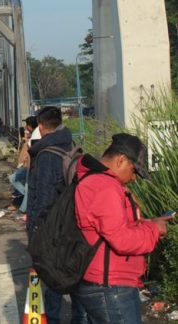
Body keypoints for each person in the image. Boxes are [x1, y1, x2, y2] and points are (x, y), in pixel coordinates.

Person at [73, 133, 170, 323]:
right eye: (134, 171)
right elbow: (122, 239)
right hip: (110, 286)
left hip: (106, 281)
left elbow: (115, 228)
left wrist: (150, 223)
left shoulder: (97, 182)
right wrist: (154, 230)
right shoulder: (105, 187)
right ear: (121, 160)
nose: (134, 178)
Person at [26, 106, 85, 324]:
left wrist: (34, 232)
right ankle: (79, 319)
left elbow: (43, 196)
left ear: (40, 126)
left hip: (53, 226)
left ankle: (52, 319)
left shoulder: (46, 153)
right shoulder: (71, 145)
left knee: (52, 278)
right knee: (75, 277)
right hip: (74, 223)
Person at [8, 116, 38, 214]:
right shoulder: (34, 134)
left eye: (26, 125)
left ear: (29, 126)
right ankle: (25, 200)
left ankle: (22, 209)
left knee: (23, 183)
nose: (25, 128)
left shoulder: (36, 135)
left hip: (30, 165)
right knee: (17, 180)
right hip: (28, 165)